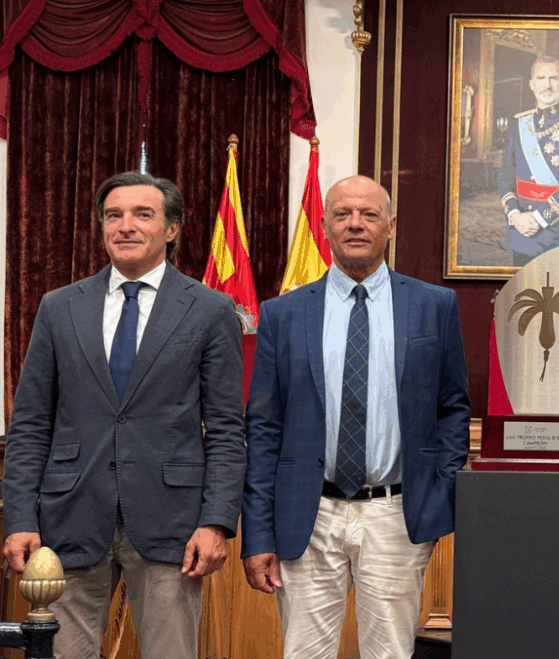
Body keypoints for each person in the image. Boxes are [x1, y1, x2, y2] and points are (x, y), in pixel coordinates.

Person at [2, 171, 246, 659]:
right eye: (114, 215)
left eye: (143, 214)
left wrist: (216, 521)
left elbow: (225, 429)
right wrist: (19, 518)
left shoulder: (210, 309)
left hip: (171, 523)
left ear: (171, 229)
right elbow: (30, 425)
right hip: (68, 517)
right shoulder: (60, 307)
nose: (126, 226)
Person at [240, 175, 471, 658]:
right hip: (308, 514)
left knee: (389, 652)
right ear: (324, 226)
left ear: (390, 226)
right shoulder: (282, 315)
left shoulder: (433, 306)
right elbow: (262, 430)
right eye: (343, 214)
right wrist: (257, 533)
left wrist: (441, 488)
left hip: (396, 514)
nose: (355, 224)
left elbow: (453, 408)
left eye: (368, 215)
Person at [497, 54, 559, 266]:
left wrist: (539, 219)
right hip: (521, 228)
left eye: (553, 78)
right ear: (532, 85)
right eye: (541, 78)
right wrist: (514, 215)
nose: (547, 85)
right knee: (522, 293)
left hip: (557, 229)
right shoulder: (520, 124)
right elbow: (506, 172)